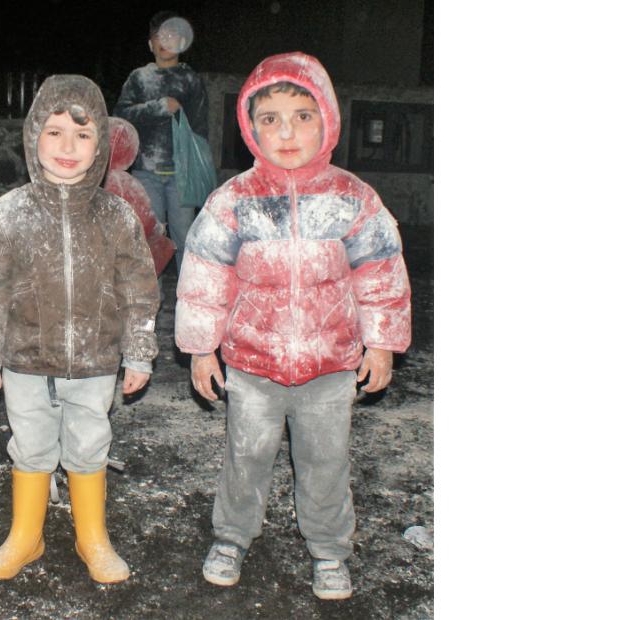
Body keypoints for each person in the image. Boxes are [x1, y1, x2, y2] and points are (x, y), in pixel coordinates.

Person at [174, 52, 412, 601]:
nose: (286, 131)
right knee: (246, 455)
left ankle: (330, 550)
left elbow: (381, 273)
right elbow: (204, 277)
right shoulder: (234, 201)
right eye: (270, 118)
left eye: (302, 115)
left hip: (330, 366)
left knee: (326, 463)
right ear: (249, 127)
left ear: (327, 117)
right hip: (253, 364)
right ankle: (232, 536)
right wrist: (202, 349)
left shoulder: (353, 198)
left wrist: (381, 344)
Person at [0, 75, 159, 584]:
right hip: (25, 359)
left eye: (83, 133)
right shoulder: (6, 214)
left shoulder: (116, 215)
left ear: (102, 145)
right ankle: (25, 536)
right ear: (33, 138)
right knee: (30, 445)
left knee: (90, 442)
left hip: (95, 362)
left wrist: (139, 351)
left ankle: (92, 536)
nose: (68, 147)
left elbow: (139, 288)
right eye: (54, 132)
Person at [114, 10, 209, 276]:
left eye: (172, 35)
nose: (165, 41)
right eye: (159, 36)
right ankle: (149, 301)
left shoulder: (190, 80)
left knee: (186, 238)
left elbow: (200, 128)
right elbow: (120, 116)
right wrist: (158, 107)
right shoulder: (138, 78)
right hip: (146, 172)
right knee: (149, 239)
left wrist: (196, 168)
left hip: (181, 174)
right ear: (150, 44)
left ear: (182, 42)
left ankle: (190, 299)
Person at [104, 116, 176, 276]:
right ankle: (155, 294)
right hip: (123, 257)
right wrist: (158, 229)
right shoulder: (127, 184)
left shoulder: (84, 178)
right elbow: (145, 219)